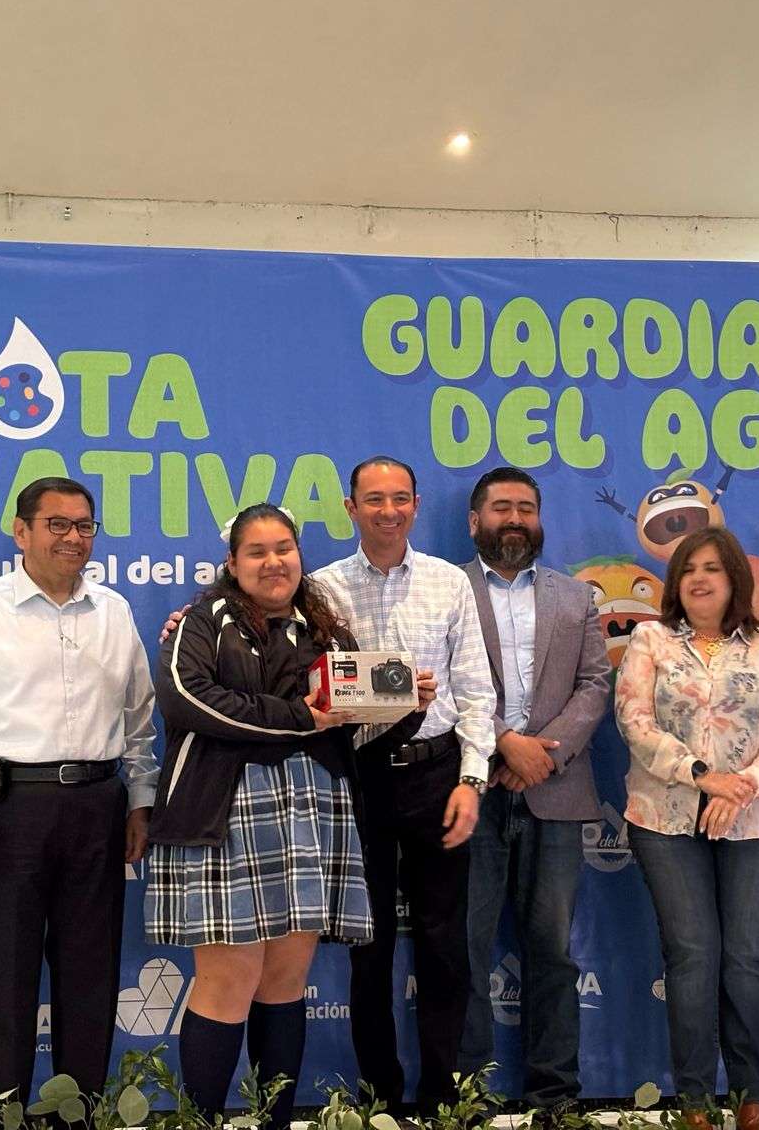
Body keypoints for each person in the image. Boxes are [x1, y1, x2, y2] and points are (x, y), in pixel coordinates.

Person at [151, 503, 415, 1129]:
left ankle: (273, 1123)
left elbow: (350, 730)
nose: (274, 562)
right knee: (228, 978)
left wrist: (404, 708)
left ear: (300, 556)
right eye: (257, 552)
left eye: (284, 549)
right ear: (232, 562)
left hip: (314, 808)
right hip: (224, 808)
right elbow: (189, 700)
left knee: (286, 979)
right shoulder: (201, 622)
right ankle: (202, 1123)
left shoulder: (326, 631)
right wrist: (301, 718)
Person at [0, 477, 158, 1101]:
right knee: (4, 976)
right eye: (57, 524)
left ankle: (78, 1112)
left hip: (98, 807)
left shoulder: (114, 611)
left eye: (84, 525)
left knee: (91, 974)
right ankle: (2, 1113)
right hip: (7, 812)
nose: (73, 537)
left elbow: (139, 720)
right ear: (21, 532)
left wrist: (140, 800)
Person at [311, 456, 497, 1113]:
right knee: (368, 948)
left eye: (399, 499)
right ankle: (379, 1100)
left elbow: (475, 691)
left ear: (416, 504)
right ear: (351, 508)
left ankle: (443, 1097)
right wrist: (385, 698)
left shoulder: (449, 583)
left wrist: (472, 779)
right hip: (360, 779)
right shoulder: (320, 589)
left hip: (438, 773)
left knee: (446, 946)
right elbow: (315, 693)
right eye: (374, 499)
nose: (388, 511)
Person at [614, 526, 759, 1129]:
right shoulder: (649, 639)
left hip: (756, 819)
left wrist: (742, 786)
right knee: (693, 954)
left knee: (743, 957)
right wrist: (703, 777)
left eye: (712, 568)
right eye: (689, 568)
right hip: (665, 818)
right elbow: (634, 721)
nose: (699, 578)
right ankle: (694, 1102)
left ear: (734, 579)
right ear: (676, 581)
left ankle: (751, 1096)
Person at [455, 467, 610, 1116]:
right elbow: (438, 680)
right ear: (475, 521)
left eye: (526, 507)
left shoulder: (576, 597)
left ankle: (556, 1097)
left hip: (557, 790)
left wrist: (541, 754)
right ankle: (468, 1097)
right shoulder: (448, 589)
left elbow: (595, 684)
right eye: (501, 507)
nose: (514, 518)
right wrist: (502, 742)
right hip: (471, 789)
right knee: (464, 948)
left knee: (551, 951)